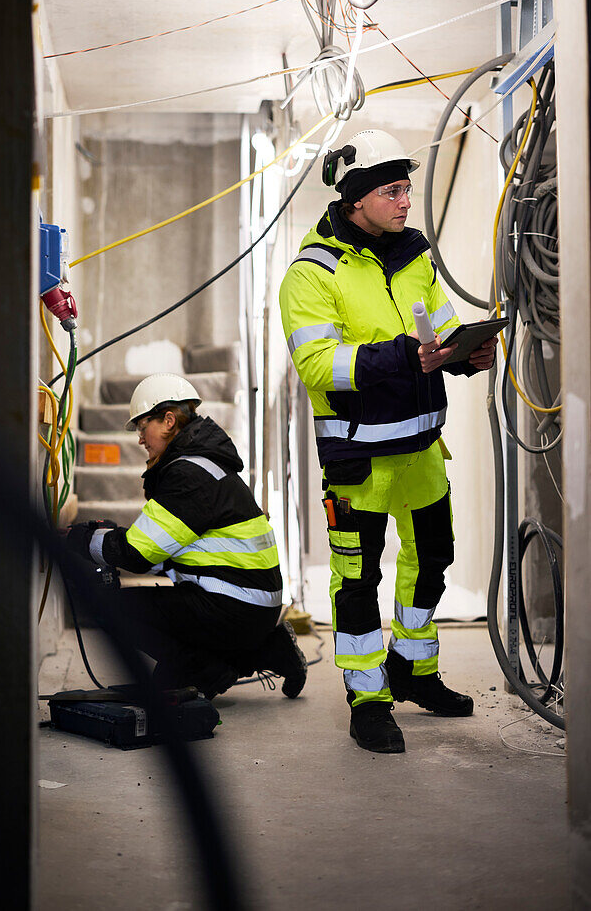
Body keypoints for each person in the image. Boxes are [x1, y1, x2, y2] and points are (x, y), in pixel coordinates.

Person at [278, 129, 497, 754]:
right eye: (392, 191)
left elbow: (440, 326)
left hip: (423, 449)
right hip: (357, 459)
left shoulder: (415, 258)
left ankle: (413, 672)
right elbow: (319, 364)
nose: (405, 201)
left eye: (407, 189)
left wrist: (462, 353)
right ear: (355, 198)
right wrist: (408, 358)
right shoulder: (314, 271)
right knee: (356, 581)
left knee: (432, 561)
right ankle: (369, 701)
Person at [63, 372, 307, 701]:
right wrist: (111, 538)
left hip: (235, 607)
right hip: (251, 604)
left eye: (141, 425)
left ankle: (211, 667)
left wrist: (79, 539)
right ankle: (269, 648)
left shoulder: (188, 475)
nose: (139, 438)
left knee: (109, 608)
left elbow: (138, 554)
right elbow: (168, 554)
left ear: (167, 420)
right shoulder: (202, 465)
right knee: (165, 615)